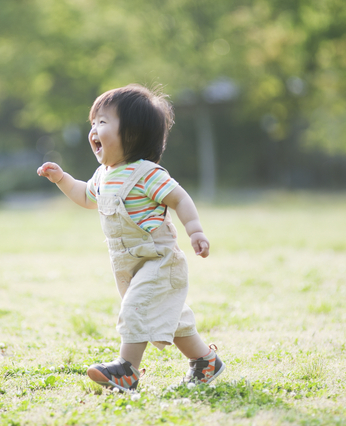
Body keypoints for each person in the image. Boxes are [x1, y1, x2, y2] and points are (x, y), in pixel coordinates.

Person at [37, 84, 224, 392]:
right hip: (127, 264)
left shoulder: (147, 173)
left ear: (133, 134)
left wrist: (196, 230)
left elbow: (180, 199)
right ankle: (205, 361)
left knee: (136, 308)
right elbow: (85, 196)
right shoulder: (104, 175)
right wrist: (61, 179)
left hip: (159, 260)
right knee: (169, 316)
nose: (94, 130)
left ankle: (127, 370)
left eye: (103, 122)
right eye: (93, 123)